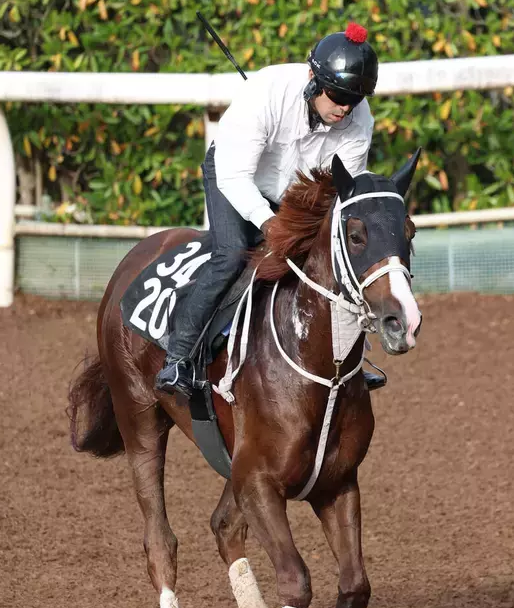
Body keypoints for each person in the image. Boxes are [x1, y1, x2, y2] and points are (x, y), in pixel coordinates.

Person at [156, 22, 385, 398]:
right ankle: (178, 357)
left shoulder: (359, 121)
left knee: (330, 259)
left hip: (297, 193)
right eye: (337, 95)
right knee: (232, 255)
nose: (345, 108)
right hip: (234, 176)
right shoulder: (265, 93)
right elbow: (235, 177)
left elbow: (339, 191)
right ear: (312, 79)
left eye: (355, 99)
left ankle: (352, 360)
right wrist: (269, 223)